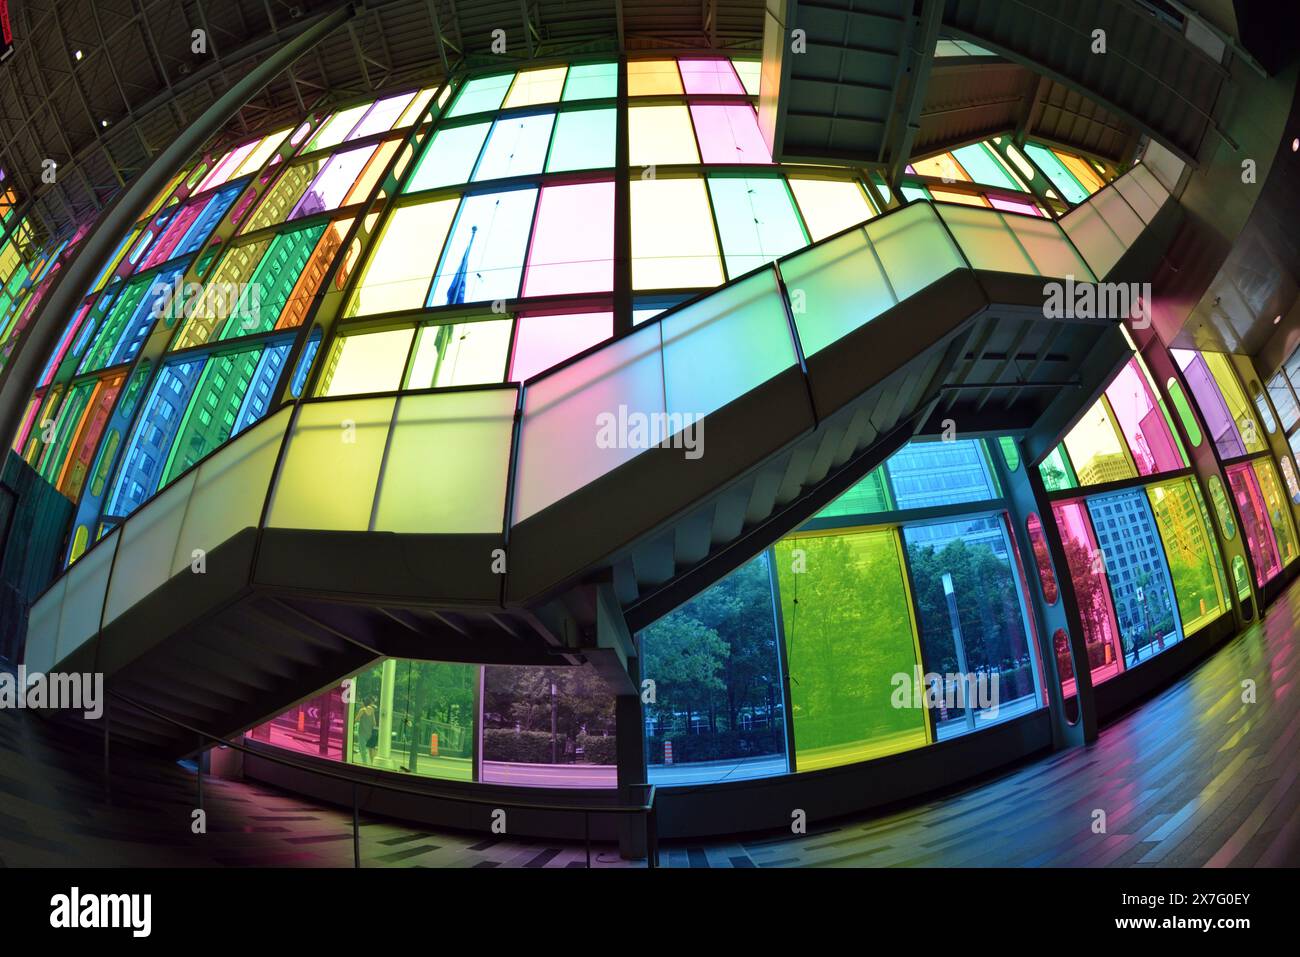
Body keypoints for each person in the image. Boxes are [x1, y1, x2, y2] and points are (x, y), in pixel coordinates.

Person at [356, 698, 377, 764]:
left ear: (364, 703)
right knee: (371, 748)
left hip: (362, 732)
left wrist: (361, 720)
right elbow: (374, 723)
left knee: (362, 749)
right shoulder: (372, 710)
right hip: (369, 733)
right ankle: (372, 763)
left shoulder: (362, 710)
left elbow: (356, 719)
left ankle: (364, 763)